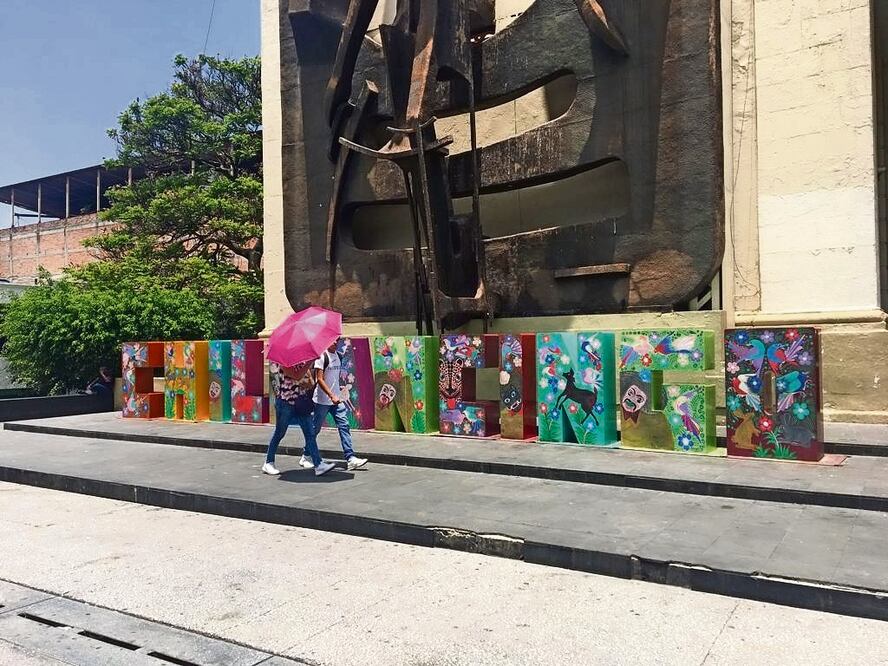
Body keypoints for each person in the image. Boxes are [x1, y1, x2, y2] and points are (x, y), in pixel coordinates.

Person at [263, 360, 335, 477]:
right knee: (280, 433)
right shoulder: (284, 361)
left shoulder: (301, 362)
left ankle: (318, 464)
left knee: (310, 433)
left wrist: (309, 379)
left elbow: (310, 381)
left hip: (301, 402)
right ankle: (268, 462)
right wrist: (310, 362)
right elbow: (296, 375)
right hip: (286, 403)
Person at [308, 341, 368, 471]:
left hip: (336, 400)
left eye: (337, 340)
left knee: (344, 425)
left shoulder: (338, 356)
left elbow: (335, 377)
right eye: (332, 340)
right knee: (315, 429)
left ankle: (350, 458)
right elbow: (319, 379)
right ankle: (306, 454)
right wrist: (331, 395)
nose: (335, 342)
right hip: (322, 401)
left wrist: (338, 394)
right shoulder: (322, 357)